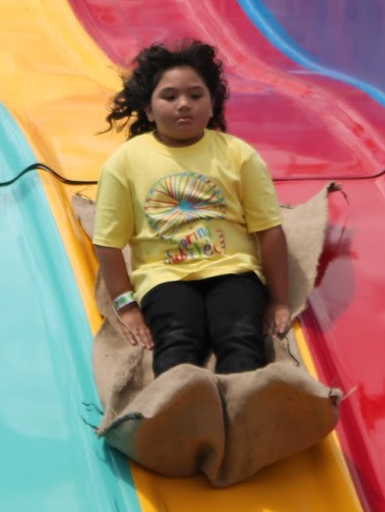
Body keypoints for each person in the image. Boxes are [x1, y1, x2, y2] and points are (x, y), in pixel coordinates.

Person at [92, 40, 291, 377]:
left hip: (232, 271)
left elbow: (269, 230)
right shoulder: (126, 162)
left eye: (195, 96)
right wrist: (127, 308)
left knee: (240, 337)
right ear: (150, 109)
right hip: (164, 277)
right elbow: (108, 243)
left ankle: (243, 406)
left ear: (213, 104)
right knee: (178, 340)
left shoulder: (238, 154)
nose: (183, 105)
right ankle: (179, 408)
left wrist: (279, 300)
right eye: (169, 97)